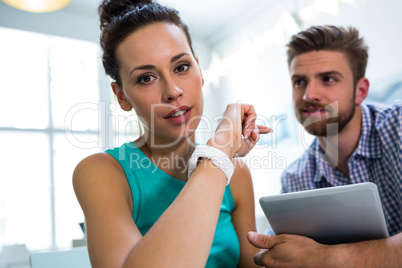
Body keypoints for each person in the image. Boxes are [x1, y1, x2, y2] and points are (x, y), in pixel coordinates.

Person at [73, 0, 271, 267]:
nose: (173, 91)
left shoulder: (237, 172)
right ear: (121, 96)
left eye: (181, 67)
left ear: (200, 71)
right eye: (146, 78)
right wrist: (217, 154)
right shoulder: (102, 173)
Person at [247, 25, 402, 267]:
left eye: (328, 79)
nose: (309, 94)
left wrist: (324, 257)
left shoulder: (399, 126)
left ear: (360, 91)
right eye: (299, 82)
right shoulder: (295, 180)